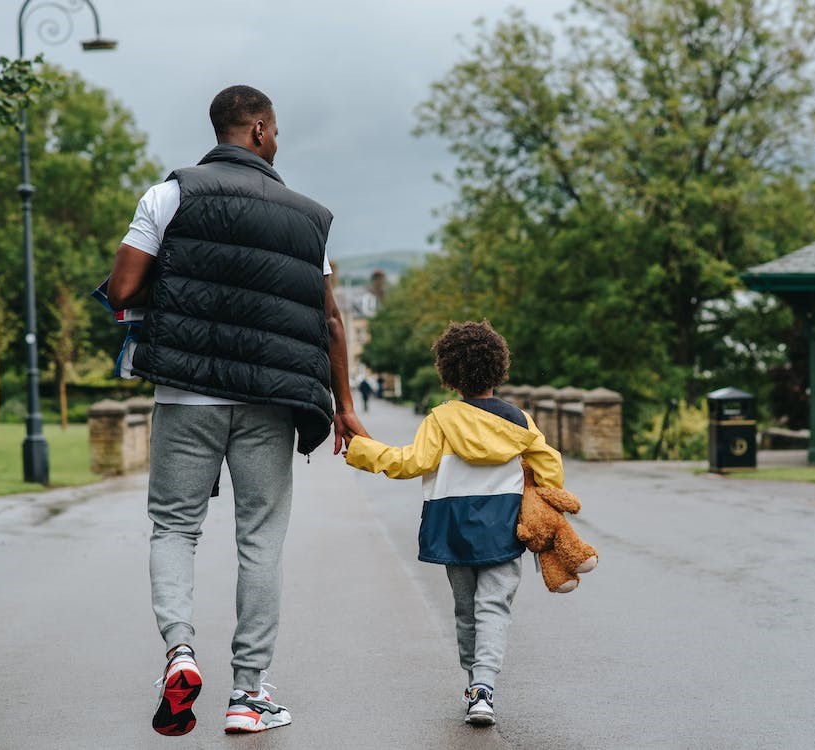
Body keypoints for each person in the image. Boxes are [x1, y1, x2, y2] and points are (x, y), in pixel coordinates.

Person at [106, 84, 368, 737]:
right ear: (255, 129)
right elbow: (330, 321)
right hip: (272, 401)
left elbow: (123, 288)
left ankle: (180, 653)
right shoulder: (309, 219)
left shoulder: (168, 195)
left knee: (173, 526)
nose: (276, 141)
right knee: (261, 541)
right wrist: (346, 407)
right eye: (273, 130)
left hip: (187, 393)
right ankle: (249, 695)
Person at [342, 320, 563, 726]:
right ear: (499, 368)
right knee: (493, 606)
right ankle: (485, 686)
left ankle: (472, 685)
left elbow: (411, 463)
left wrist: (361, 450)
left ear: (449, 373)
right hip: (504, 526)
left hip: (453, 527)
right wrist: (542, 496)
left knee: (465, 610)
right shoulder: (519, 421)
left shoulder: (441, 420)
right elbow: (550, 467)